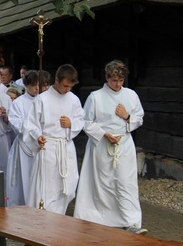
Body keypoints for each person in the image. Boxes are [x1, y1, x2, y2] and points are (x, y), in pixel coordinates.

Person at [74, 60, 147, 234]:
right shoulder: (95, 97)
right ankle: (99, 218)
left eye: (121, 80)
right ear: (107, 77)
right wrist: (104, 134)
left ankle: (131, 221)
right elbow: (86, 122)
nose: (117, 84)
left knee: (125, 182)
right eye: (114, 80)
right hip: (102, 145)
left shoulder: (131, 95)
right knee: (103, 183)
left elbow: (140, 117)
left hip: (124, 144)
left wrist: (127, 116)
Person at [22, 64, 84, 214]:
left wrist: (72, 124)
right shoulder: (42, 99)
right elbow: (30, 124)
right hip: (48, 147)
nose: (67, 90)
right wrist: (38, 136)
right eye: (65, 86)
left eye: (70, 86)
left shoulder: (73, 99)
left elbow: (81, 120)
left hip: (66, 146)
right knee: (48, 187)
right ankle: (45, 221)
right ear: (56, 80)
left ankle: (59, 216)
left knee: (69, 185)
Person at [5, 70, 40, 206]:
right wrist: (33, 130)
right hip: (24, 145)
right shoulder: (18, 103)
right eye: (33, 85)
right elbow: (15, 122)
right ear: (26, 85)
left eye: (39, 85)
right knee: (23, 178)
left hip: (40, 145)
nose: (37, 88)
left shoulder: (43, 100)